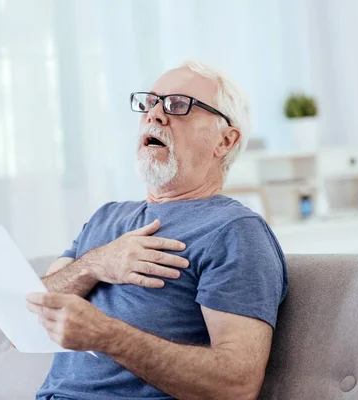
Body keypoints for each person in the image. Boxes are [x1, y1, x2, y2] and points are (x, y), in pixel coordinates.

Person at [26, 60, 288, 400]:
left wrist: (108, 336)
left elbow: (237, 385)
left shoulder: (234, 231)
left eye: (179, 105)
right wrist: (96, 263)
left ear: (225, 140)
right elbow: (36, 299)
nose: (155, 115)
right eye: (149, 103)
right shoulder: (107, 217)